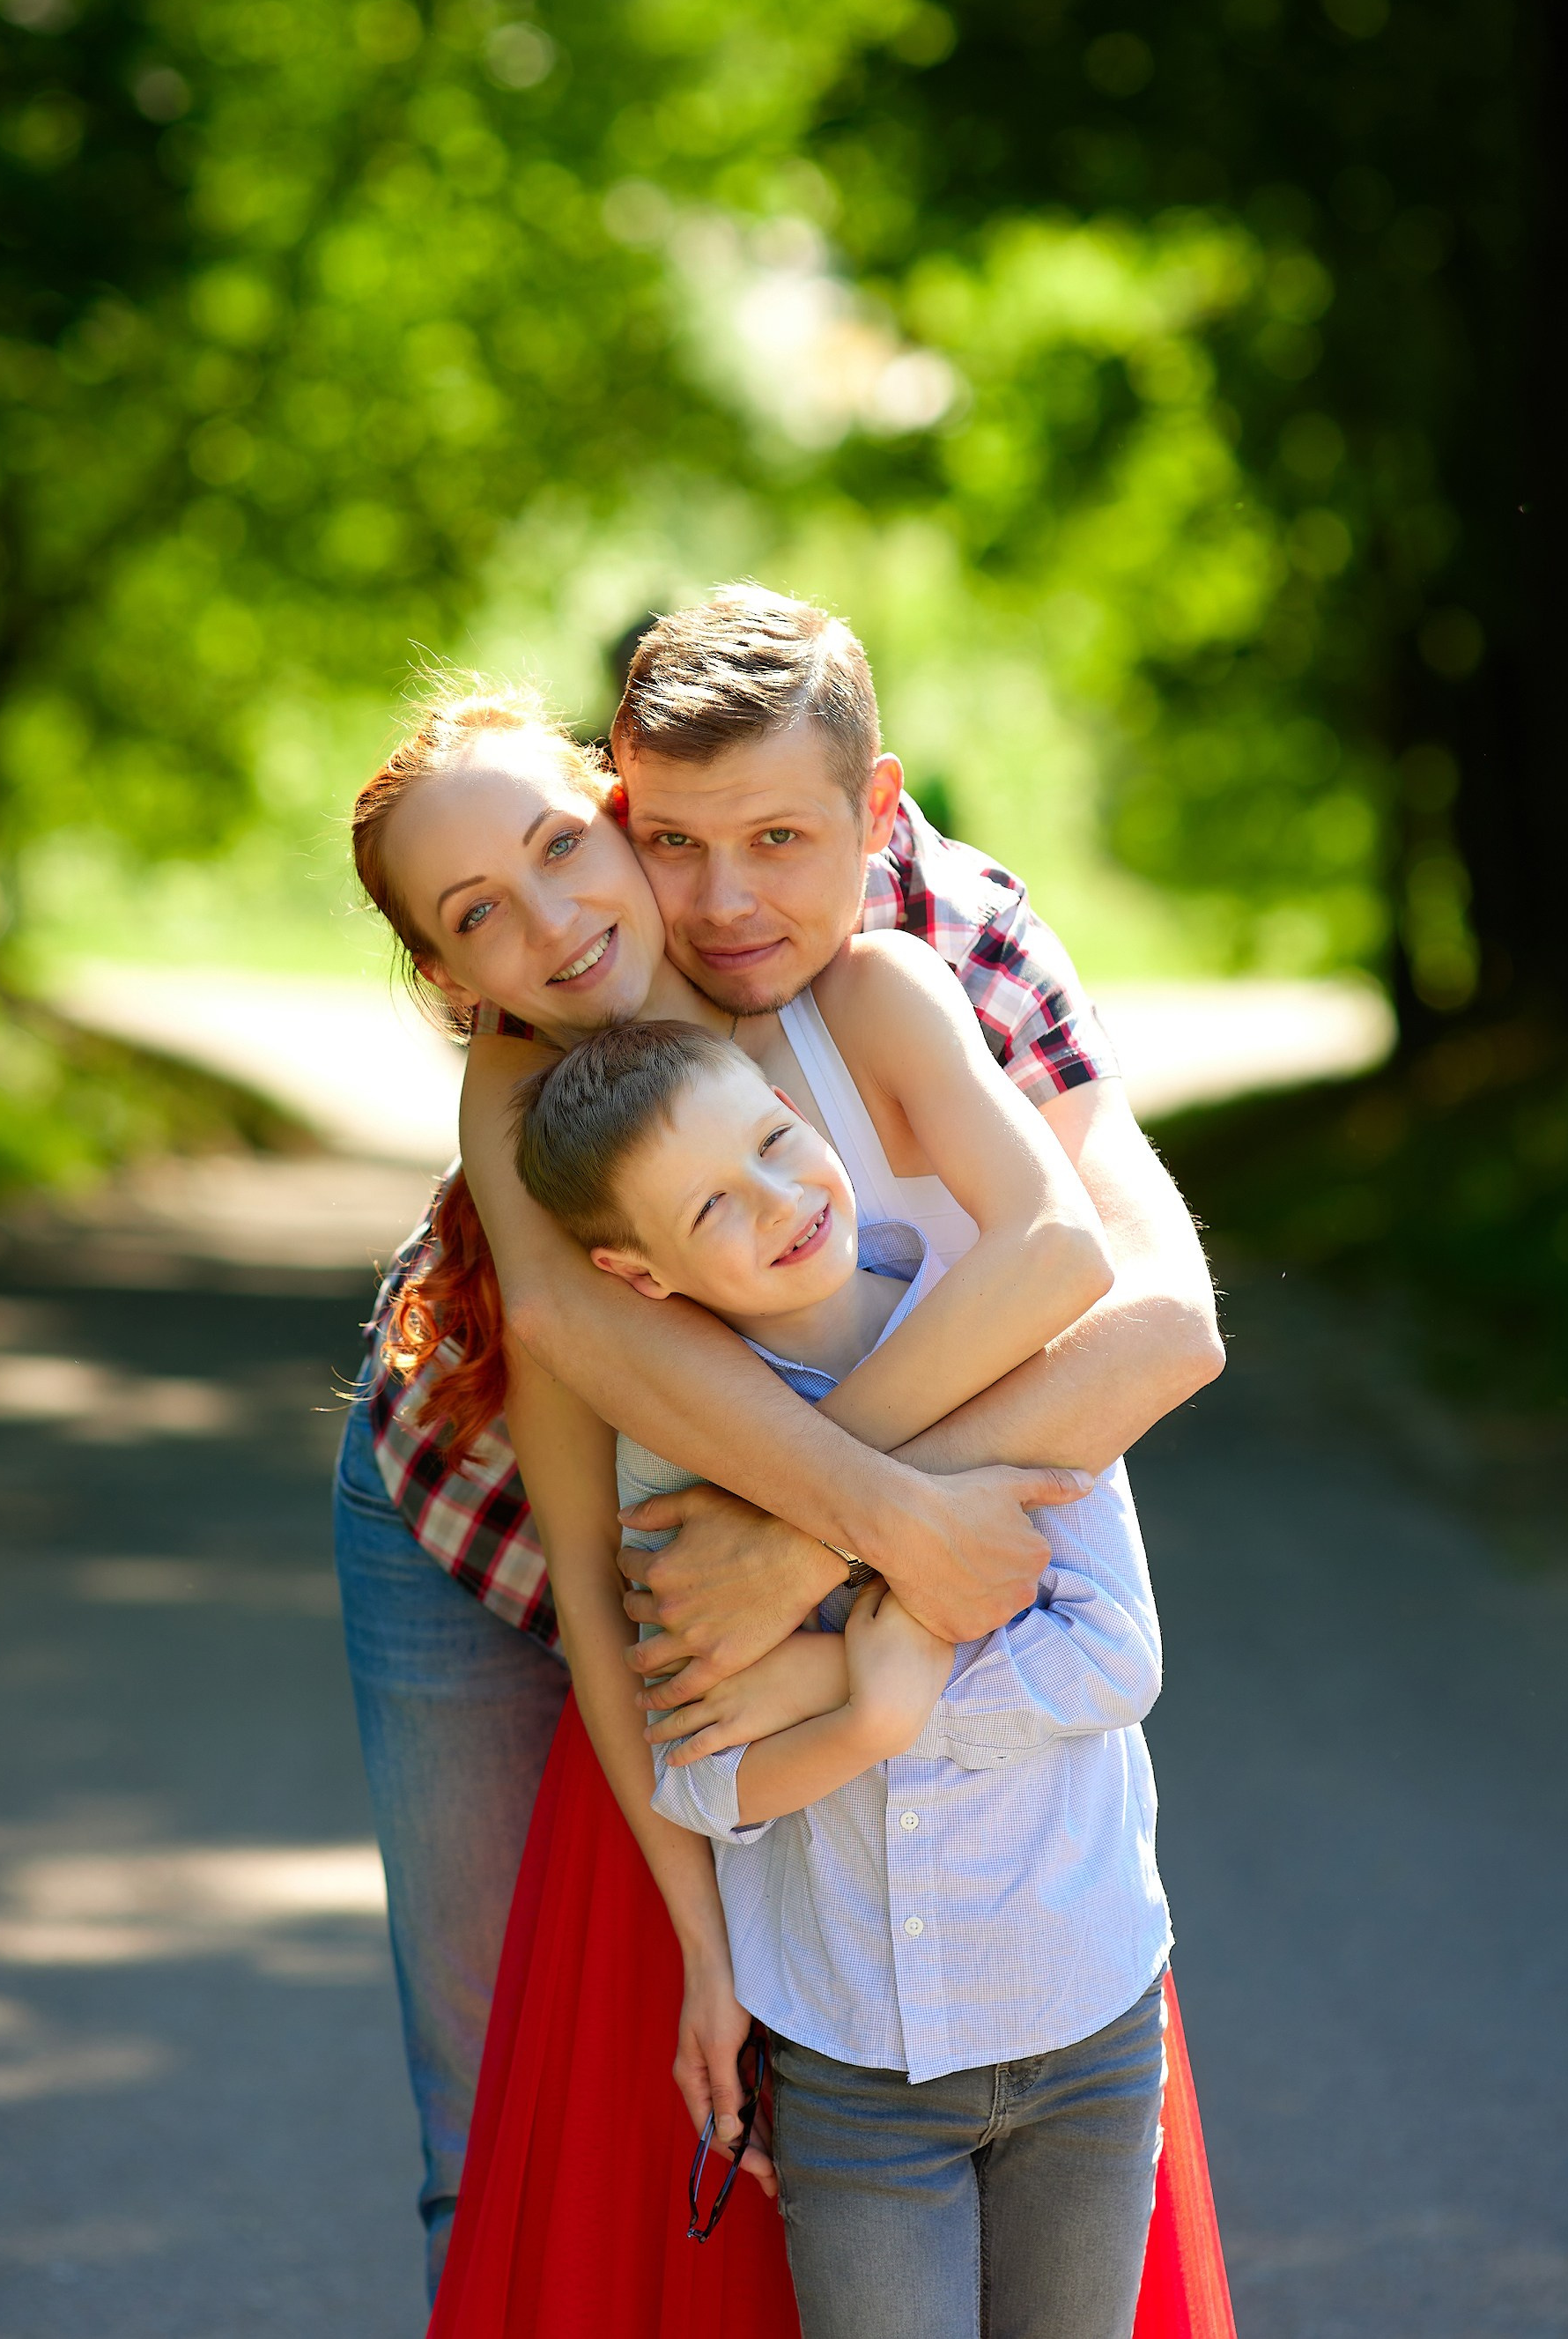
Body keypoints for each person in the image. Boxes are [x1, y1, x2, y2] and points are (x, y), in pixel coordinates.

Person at [334, 588, 1226, 2296]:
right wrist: (864, 1527)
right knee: (515, 2100)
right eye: (672, 840)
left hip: (739, 1547)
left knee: (808, 2089)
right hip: (476, 1507)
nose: (714, 898)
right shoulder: (524, 1055)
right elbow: (587, 1381)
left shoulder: (933, 942)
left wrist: (820, 1532)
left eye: (568, 846)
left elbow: (1149, 1309)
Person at [510, 1019, 1180, 2339]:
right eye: (711, 1204)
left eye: (772, 1142)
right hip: (855, 2064)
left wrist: (820, 1670)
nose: (779, 1200)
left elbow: (1114, 1656)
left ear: (790, 1101)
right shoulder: (677, 1463)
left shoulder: (1003, 1331)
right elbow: (700, 1771)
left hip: (1082, 2003)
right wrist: (871, 1709)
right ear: (631, 1272)